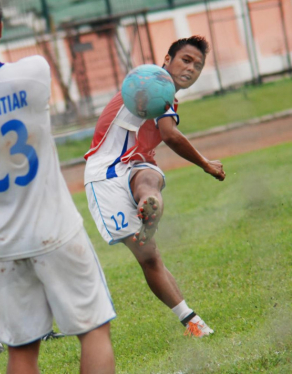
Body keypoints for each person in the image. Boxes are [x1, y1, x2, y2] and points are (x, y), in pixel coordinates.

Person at [0, 1, 116, 373]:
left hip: (0, 241)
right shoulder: (33, 73)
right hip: (55, 230)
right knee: (94, 330)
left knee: (21, 349)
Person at [83, 36, 225, 338]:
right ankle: (149, 203)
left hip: (136, 163)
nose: (191, 69)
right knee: (149, 255)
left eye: (198, 66)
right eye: (186, 60)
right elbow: (170, 135)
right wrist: (206, 163)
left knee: (151, 178)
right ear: (167, 59)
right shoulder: (154, 83)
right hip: (106, 173)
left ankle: (149, 202)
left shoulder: (160, 89)